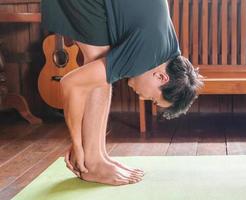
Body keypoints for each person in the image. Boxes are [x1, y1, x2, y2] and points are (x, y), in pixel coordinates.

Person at [41, 0, 203, 186]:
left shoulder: (166, 49)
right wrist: (78, 145)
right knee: (97, 61)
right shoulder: (145, 55)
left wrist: (86, 143)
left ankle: (97, 156)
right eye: (152, 98)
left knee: (101, 65)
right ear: (161, 77)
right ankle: (92, 162)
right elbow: (71, 84)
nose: (143, 97)